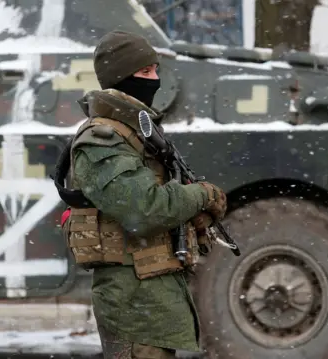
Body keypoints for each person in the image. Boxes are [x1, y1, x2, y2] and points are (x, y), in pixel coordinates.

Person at [57, 30, 228, 359]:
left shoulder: (136, 132)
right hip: (133, 304)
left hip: (150, 299)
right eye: (145, 72)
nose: (155, 80)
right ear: (120, 78)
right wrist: (202, 196)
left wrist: (191, 218)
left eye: (156, 71)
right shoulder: (102, 139)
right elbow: (143, 209)